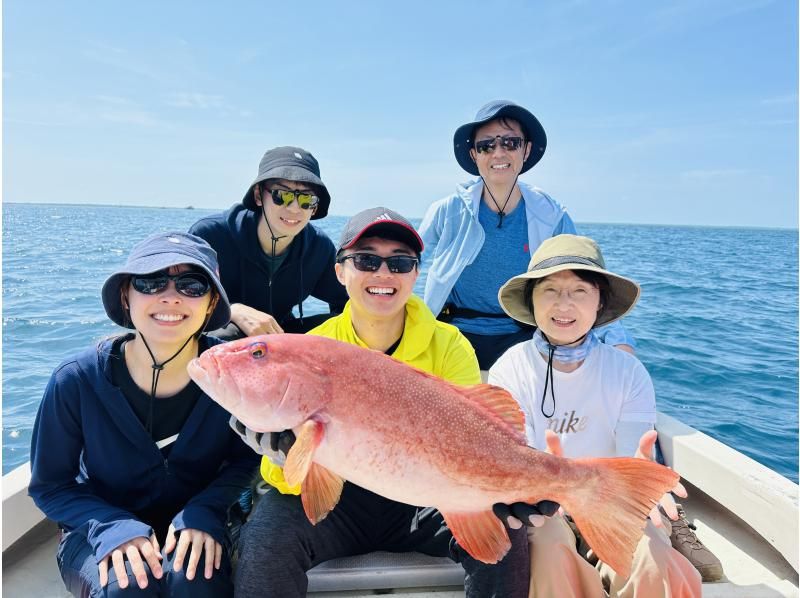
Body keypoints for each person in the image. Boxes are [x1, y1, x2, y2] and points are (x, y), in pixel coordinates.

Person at [230, 207, 552, 598]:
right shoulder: (312, 347)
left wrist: (514, 482)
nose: (383, 274)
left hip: (426, 499)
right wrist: (284, 456)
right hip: (342, 506)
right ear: (340, 271)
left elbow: (476, 435)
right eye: (366, 259)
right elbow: (287, 480)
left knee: (507, 534)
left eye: (400, 263)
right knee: (265, 535)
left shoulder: (449, 345)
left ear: (416, 274)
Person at [29, 232, 259, 597]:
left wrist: (206, 510)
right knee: (127, 585)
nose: (170, 295)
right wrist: (111, 527)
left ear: (212, 301)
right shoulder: (76, 379)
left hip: (202, 522)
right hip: (97, 529)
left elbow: (247, 462)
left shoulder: (234, 375)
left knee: (195, 581)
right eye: (150, 282)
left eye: (192, 284)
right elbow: (51, 486)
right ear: (126, 295)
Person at [488, 234, 704, 597]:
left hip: (611, 500)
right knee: (550, 549)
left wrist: (642, 476)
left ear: (600, 302)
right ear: (532, 300)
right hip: (542, 504)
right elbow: (512, 461)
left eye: (579, 291)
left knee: (652, 556)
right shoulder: (510, 369)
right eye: (550, 290)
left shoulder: (628, 372)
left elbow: (631, 458)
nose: (564, 304)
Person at [419, 100, 634, 369]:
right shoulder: (446, 211)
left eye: (510, 143)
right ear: (474, 155)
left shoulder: (552, 215)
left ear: (526, 149)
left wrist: (618, 342)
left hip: (527, 336)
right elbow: (405, 264)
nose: (498, 153)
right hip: (452, 333)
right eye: (486, 145)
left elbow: (587, 279)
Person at [189, 146, 348, 338]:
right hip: (223, 336)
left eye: (307, 198)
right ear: (258, 195)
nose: (295, 208)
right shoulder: (211, 235)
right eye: (282, 195)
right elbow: (181, 299)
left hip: (280, 332)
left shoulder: (318, 247)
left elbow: (346, 304)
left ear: (315, 207)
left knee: (342, 327)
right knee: (227, 335)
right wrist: (233, 310)